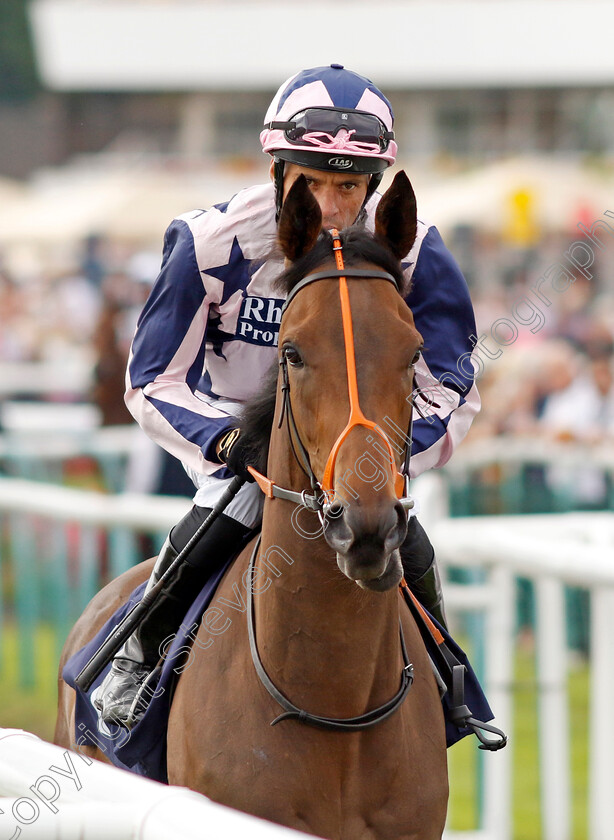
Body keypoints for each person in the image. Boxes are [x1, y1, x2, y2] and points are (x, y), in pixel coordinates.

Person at [95, 64, 480, 728]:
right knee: (224, 513)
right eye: (315, 183)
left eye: (350, 186)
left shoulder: (414, 250)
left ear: (375, 185)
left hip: (360, 452)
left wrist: (379, 447)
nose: (333, 207)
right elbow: (151, 379)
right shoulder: (208, 241)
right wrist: (228, 439)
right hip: (243, 453)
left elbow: (451, 384)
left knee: (406, 539)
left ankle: (452, 680)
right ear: (280, 174)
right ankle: (140, 656)